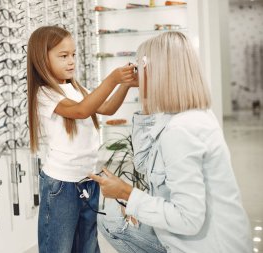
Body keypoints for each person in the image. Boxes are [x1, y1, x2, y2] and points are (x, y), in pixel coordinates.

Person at [90, 31, 252, 253]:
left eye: (140, 69)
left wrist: (126, 193)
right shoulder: (186, 115)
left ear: (158, 73)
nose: (136, 74)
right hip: (206, 238)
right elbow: (143, 164)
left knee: (111, 221)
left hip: (206, 246)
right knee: (110, 218)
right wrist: (145, 99)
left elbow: (189, 219)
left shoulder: (181, 130)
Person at [27, 26, 137, 253]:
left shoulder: (76, 88)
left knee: (87, 246)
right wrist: (112, 78)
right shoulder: (45, 93)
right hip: (61, 186)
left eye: (74, 55)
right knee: (59, 247)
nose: (71, 61)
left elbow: (107, 108)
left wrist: (124, 83)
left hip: (87, 180)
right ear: (42, 59)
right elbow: (81, 111)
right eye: (64, 56)